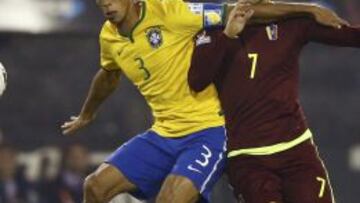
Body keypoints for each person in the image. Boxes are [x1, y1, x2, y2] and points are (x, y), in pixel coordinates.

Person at [61, 0, 346, 202]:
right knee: (95, 187)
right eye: (100, 2)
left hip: (211, 131)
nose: (106, 5)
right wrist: (88, 114)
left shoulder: (172, 11)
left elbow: (240, 11)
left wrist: (309, 8)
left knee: (170, 199)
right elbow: (108, 74)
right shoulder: (108, 37)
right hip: (164, 134)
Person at [188, 0, 359, 202]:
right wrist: (228, 36)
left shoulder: (291, 23)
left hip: (297, 150)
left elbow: (349, 36)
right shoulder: (213, 27)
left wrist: (312, 11)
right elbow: (197, 81)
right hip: (247, 156)